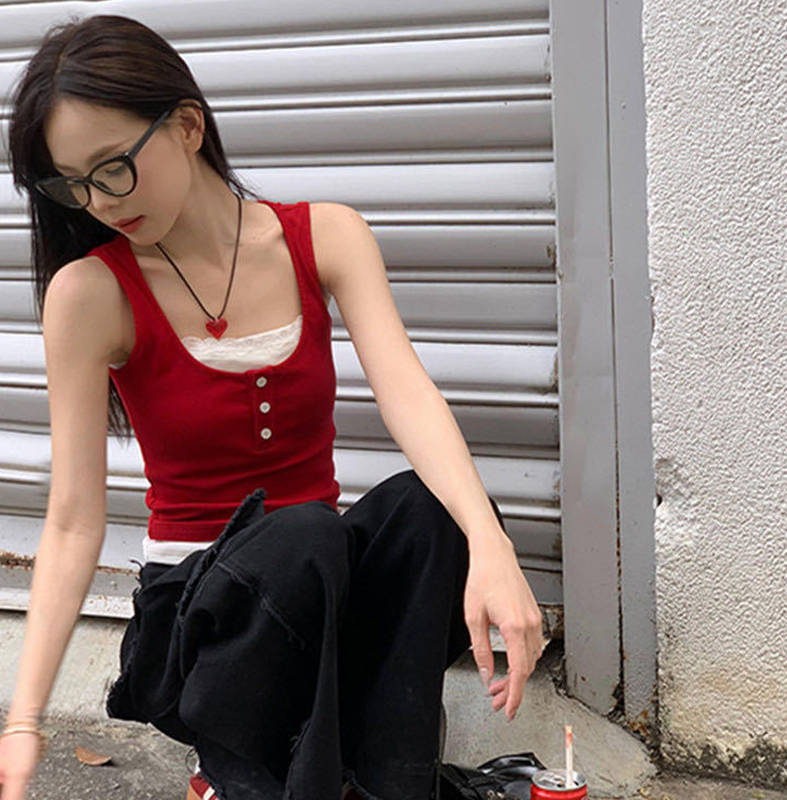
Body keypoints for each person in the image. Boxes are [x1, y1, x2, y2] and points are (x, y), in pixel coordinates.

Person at [0, 13, 543, 800]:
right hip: (203, 619)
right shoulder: (90, 293)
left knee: (434, 511)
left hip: (317, 586)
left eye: (113, 167)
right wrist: (24, 719)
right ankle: (255, 775)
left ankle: (388, 784)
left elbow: (407, 392)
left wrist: (492, 545)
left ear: (188, 126)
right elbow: (73, 519)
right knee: (302, 535)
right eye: (72, 184)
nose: (99, 203)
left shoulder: (327, 236)